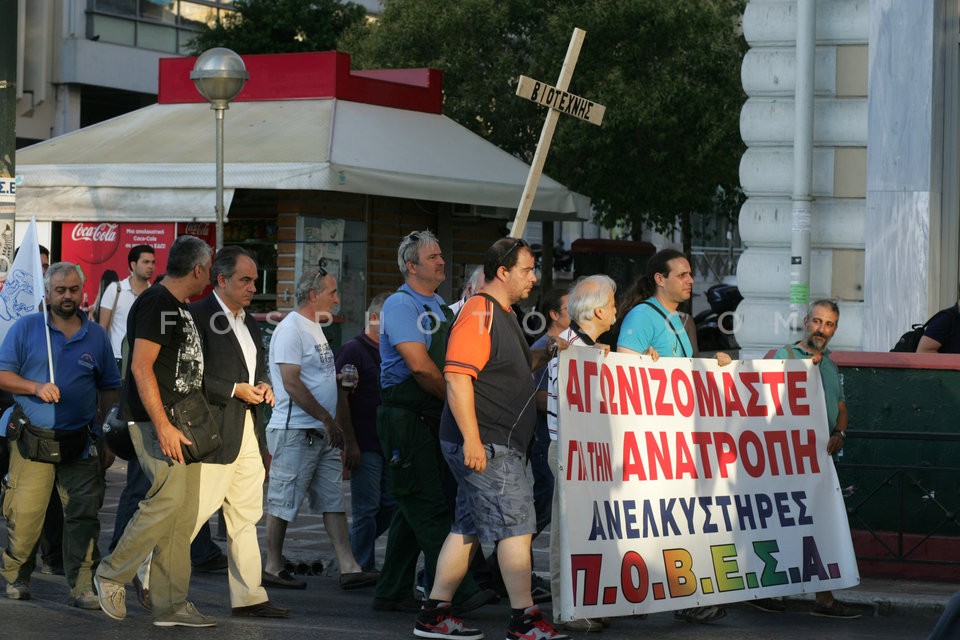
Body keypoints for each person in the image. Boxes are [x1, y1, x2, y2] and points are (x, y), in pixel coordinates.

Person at [415, 237, 569, 640]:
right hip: (487, 442)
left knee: (467, 528)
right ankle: (524, 619)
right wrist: (471, 440)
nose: (533, 278)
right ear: (502, 272)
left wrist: (547, 350)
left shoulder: (502, 313)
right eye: (526, 269)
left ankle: (434, 613)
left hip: (490, 441)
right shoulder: (480, 311)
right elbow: (457, 376)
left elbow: (507, 369)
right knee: (516, 526)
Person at [94, 234, 217, 628]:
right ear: (198, 269)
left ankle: (171, 604)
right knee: (167, 501)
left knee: (182, 514)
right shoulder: (156, 302)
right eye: (209, 269)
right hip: (157, 424)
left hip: (185, 426)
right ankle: (112, 572)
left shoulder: (176, 306)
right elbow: (141, 366)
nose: (209, 276)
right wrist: (162, 426)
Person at [373, 230, 493, 614]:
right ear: (411, 266)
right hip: (406, 419)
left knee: (415, 504)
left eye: (441, 255)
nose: (442, 261)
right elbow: (421, 367)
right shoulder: (400, 305)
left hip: (430, 417)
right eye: (433, 257)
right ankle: (461, 589)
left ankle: (391, 590)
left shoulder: (440, 304)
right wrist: (459, 404)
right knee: (427, 505)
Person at [615, 249, 728, 624]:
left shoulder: (678, 320)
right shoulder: (642, 317)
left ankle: (675, 595)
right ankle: (656, 595)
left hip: (677, 441)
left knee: (676, 521)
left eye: (690, 273)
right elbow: (624, 375)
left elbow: (688, 369)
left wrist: (717, 363)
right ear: (659, 279)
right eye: (681, 274)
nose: (690, 280)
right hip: (651, 441)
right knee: (656, 522)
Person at [0, 262, 120, 608]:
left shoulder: (96, 335)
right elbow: (4, 375)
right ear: (47, 293)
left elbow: (109, 388)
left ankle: (82, 586)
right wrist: (35, 387)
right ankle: (16, 577)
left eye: (73, 290)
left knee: (83, 517)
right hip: (32, 440)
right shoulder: (25, 329)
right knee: (24, 516)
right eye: (60, 290)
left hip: (81, 442)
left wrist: (108, 437)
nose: (67, 297)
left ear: (82, 292)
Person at [186, 246, 288, 618]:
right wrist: (233, 389)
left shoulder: (250, 320)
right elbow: (188, 376)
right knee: (192, 514)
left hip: (247, 426)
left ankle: (249, 597)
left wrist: (262, 384)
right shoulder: (197, 316)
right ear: (222, 279)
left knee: (246, 516)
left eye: (255, 280)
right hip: (211, 430)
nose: (252, 287)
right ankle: (148, 576)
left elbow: (254, 367)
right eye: (245, 280)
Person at [262, 266, 377, 592]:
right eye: (332, 292)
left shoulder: (313, 328)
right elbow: (291, 382)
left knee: (332, 500)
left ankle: (349, 566)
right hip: (298, 431)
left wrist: (336, 387)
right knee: (283, 500)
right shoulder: (291, 329)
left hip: (321, 432)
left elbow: (310, 377)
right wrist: (328, 419)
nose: (337, 298)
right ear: (314, 295)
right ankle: (272, 565)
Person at [768, 299, 861, 619]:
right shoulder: (786, 356)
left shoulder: (832, 365)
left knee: (820, 525)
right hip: (790, 462)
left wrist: (840, 433)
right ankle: (771, 590)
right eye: (817, 321)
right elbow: (772, 404)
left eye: (829, 324)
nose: (822, 329)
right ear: (806, 321)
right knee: (785, 524)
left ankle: (823, 597)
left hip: (822, 460)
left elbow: (842, 406)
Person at [545, 275, 617, 633]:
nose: (618, 310)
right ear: (600, 310)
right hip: (569, 450)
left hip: (589, 451)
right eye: (614, 304)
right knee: (567, 532)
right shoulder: (568, 348)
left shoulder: (584, 347)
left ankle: (588, 602)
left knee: (588, 531)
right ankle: (565, 608)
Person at [335, 292, 395, 572]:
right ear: (374, 319)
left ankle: (355, 552)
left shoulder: (391, 350)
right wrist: (350, 443)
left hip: (389, 443)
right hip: (365, 443)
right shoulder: (353, 350)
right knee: (367, 508)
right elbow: (341, 398)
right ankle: (360, 566)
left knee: (391, 505)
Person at [99, 244, 155, 371]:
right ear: (133, 265)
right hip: (117, 359)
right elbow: (103, 328)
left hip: (145, 361)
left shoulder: (155, 293)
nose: (151, 266)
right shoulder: (115, 289)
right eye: (146, 262)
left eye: (153, 262)